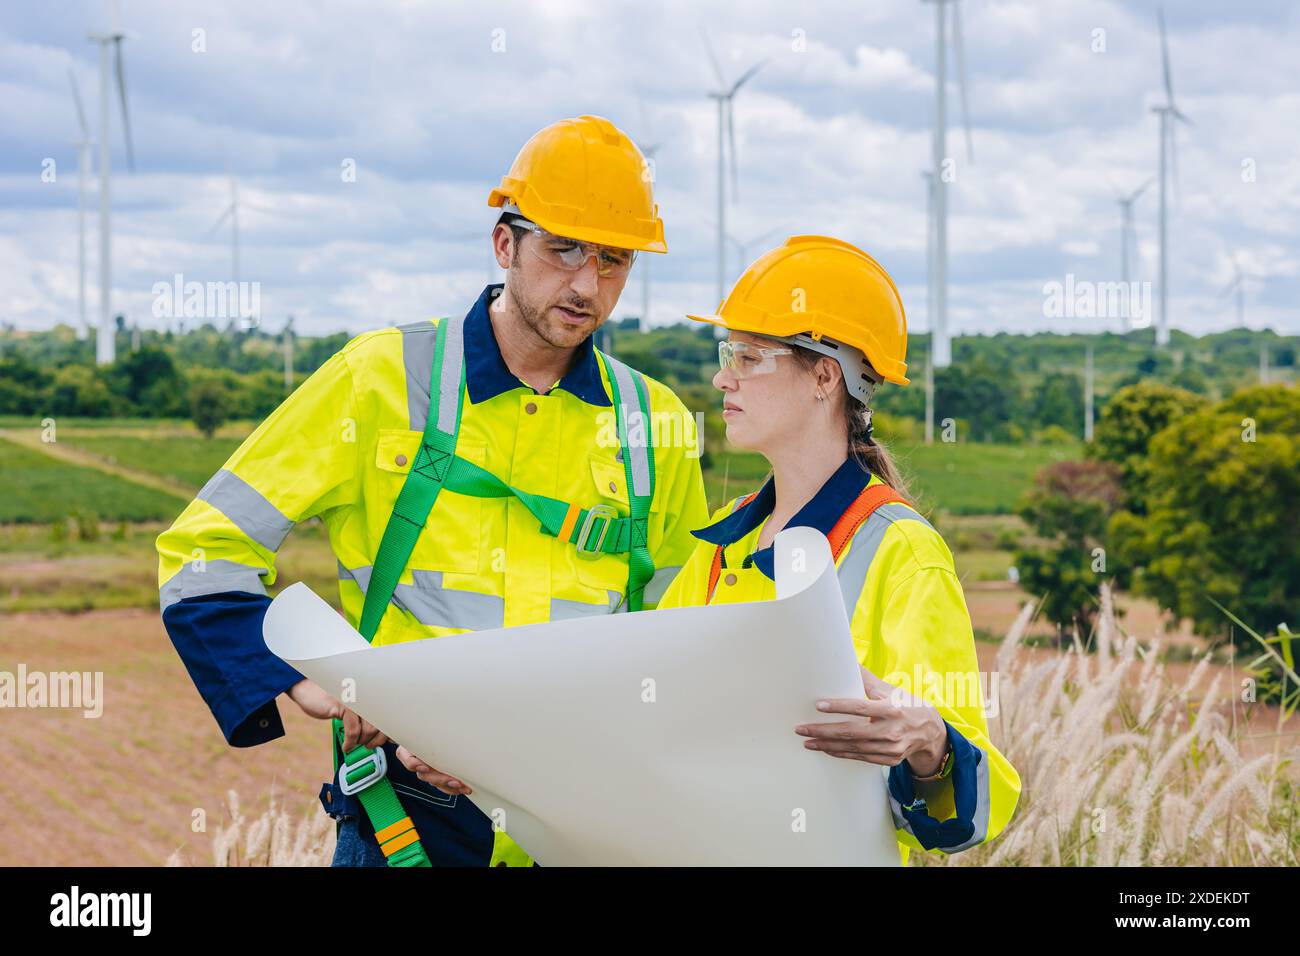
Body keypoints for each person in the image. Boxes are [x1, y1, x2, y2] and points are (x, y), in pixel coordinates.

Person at [156, 115, 709, 867]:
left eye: (614, 260)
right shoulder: (378, 380)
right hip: (408, 824)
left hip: (587, 826)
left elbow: (685, 637)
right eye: (564, 249)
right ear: (505, 243)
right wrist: (320, 684)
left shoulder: (656, 422)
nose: (588, 284)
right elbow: (202, 554)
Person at [656, 235, 1020, 865]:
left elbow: (967, 816)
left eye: (747, 357)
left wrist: (929, 741)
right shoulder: (724, 542)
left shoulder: (903, 552)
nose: (722, 378)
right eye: (728, 354)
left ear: (824, 375)